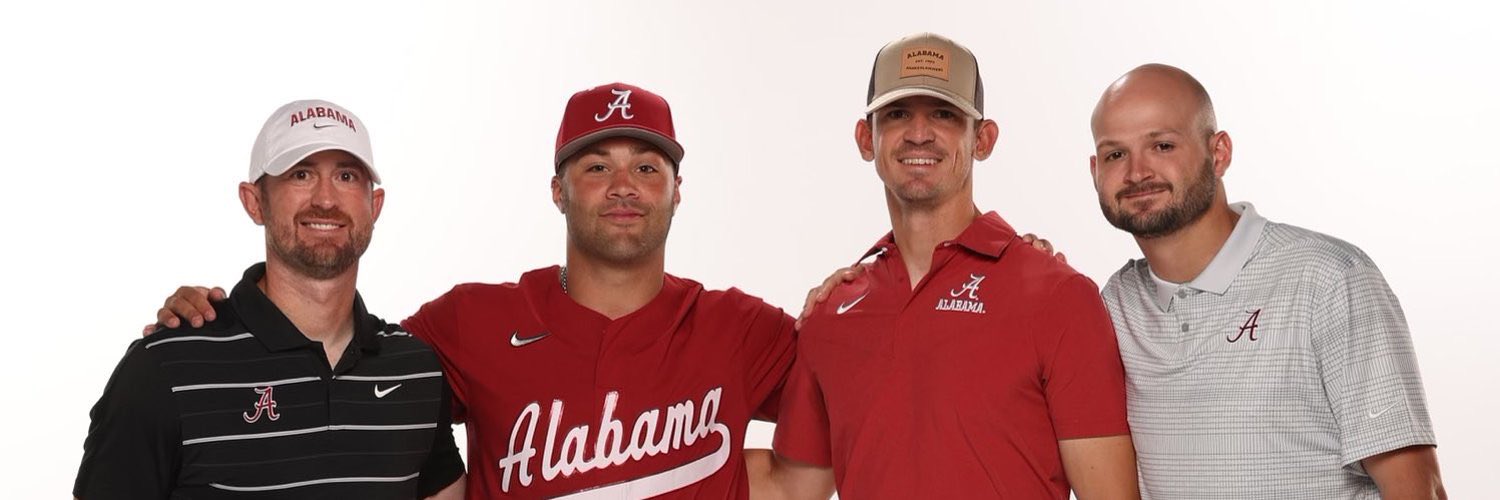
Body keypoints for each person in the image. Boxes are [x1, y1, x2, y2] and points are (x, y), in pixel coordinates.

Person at [145, 84, 832, 499]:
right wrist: (222, 326)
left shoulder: (742, 328)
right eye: (597, 166)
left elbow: (852, 395)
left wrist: (850, 297)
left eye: (647, 167)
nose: (623, 186)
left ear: (678, 191)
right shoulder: (469, 323)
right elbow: (335, 377)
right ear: (557, 190)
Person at [757, 33, 1141, 499]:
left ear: (983, 139)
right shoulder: (830, 313)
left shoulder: (1058, 296)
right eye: (897, 114)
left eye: (944, 114)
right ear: (865, 138)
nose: (919, 133)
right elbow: (791, 489)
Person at [74, 100, 464, 498]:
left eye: (346, 176)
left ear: (374, 206)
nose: (326, 199)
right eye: (301, 174)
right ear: (254, 202)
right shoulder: (165, 367)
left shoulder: (416, 372)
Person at [1088, 63, 1445, 499]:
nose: (1137, 172)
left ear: (1219, 153)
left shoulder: (1328, 279)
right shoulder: (1116, 304)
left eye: (1162, 145)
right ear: (1095, 170)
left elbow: (1419, 490)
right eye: (1115, 154)